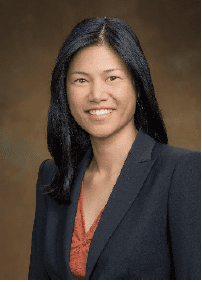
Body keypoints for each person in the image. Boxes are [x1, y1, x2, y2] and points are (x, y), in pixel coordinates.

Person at [28, 17, 201, 280]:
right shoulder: (52, 176)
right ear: (64, 90)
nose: (97, 94)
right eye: (81, 80)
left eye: (112, 77)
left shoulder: (181, 172)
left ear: (138, 85)